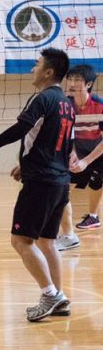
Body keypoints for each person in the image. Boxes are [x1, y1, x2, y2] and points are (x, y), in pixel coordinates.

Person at [0, 47, 76, 322]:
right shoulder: (67, 103)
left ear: (48, 72)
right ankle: (60, 297)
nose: (33, 69)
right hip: (58, 182)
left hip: (42, 182)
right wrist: (27, 165)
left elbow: (22, 128)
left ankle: (50, 295)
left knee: (20, 241)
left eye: (36, 64)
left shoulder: (42, 98)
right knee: (47, 241)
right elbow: (60, 143)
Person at [55, 64, 103, 250]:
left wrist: (85, 161)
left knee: (97, 177)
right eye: (71, 79)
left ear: (89, 84)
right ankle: (60, 225)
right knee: (61, 179)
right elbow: (66, 133)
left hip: (97, 149)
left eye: (78, 80)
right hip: (77, 147)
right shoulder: (66, 104)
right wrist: (72, 154)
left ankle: (94, 216)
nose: (72, 83)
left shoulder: (99, 105)